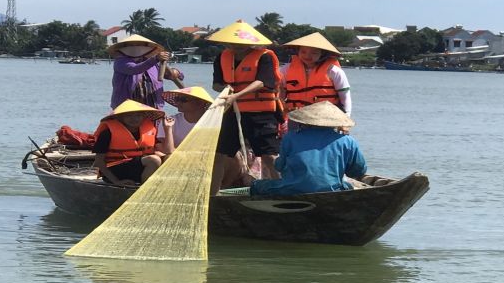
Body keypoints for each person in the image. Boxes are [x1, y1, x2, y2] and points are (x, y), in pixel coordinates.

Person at [206, 20, 284, 194]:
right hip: (232, 111)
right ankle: (213, 194)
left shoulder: (264, 57)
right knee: (218, 154)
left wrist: (236, 95)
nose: (237, 46)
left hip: (261, 112)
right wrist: (226, 89)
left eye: (242, 43)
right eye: (234, 43)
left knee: (269, 156)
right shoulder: (222, 57)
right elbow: (216, 84)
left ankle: (282, 189)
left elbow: (263, 81)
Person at [249, 101, 367, 197]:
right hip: (331, 191)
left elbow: (279, 166)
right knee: (349, 187)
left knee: (256, 185)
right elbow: (358, 171)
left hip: (292, 190)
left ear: (305, 121)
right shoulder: (348, 141)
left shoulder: (291, 137)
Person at [92, 99, 165, 187]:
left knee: (167, 157)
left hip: (138, 166)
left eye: (138, 115)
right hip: (116, 170)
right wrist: (116, 181)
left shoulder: (149, 129)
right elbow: (99, 161)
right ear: (120, 117)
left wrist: (168, 129)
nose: (134, 119)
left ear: (143, 117)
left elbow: (162, 149)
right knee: (154, 160)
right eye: (129, 115)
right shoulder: (108, 133)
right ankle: (144, 190)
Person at [281, 32, 351, 116]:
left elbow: (345, 97)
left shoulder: (334, 71)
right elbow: (280, 94)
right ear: (297, 51)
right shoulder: (286, 70)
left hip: (326, 118)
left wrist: (346, 117)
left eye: (314, 53)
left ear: (323, 54)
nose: (307, 56)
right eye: (303, 52)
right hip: (295, 117)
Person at [108, 34, 184, 110]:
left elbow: (172, 75)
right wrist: (156, 58)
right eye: (132, 45)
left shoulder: (154, 62)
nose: (136, 48)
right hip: (127, 107)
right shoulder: (121, 61)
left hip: (153, 106)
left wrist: (176, 72)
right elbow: (135, 69)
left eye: (139, 45)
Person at [156, 86, 214, 154]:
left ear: (200, 103)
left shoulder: (214, 122)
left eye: (184, 99)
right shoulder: (169, 122)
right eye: (177, 99)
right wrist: (168, 129)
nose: (178, 102)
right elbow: (168, 151)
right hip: (175, 160)